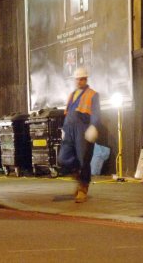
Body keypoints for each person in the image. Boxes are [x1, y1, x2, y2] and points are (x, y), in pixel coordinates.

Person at [58, 66, 100, 203]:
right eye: (77, 79)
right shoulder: (72, 95)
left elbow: (96, 112)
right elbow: (68, 113)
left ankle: (83, 188)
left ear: (86, 79)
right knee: (63, 158)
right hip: (69, 129)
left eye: (81, 79)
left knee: (83, 160)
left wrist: (93, 126)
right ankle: (79, 179)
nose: (79, 82)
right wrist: (64, 129)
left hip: (83, 128)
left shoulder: (93, 94)